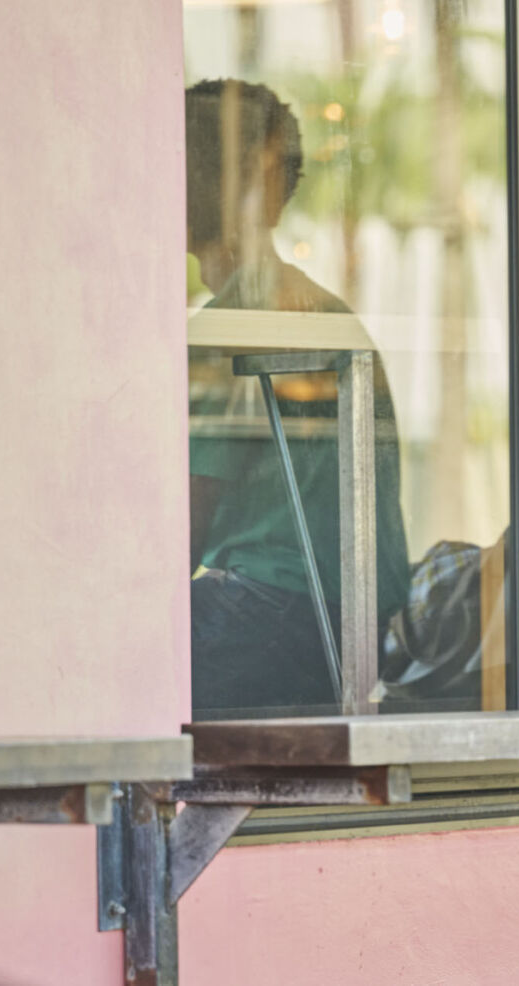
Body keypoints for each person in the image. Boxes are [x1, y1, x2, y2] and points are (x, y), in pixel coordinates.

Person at [185, 78, 409, 715]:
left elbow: (180, 534)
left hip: (282, 619)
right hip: (358, 621)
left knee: (110, 671)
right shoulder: (320, 311)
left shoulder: (232, 326)